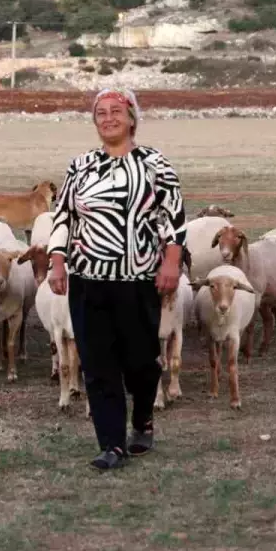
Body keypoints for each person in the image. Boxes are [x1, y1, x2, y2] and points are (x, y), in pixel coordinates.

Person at [47, 88, 186, 470]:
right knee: (97, 361)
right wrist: (57, 262)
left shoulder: (155, 164)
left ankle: (142, 420)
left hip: (137, 278)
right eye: (100, 113)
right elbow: (64, 217)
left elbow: (172, 218)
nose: (108, 118)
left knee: (141, 362)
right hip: (88, 278)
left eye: (116, 112)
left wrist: (171, 262)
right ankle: (111, 444)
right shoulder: (80, 166)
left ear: (131, 118)